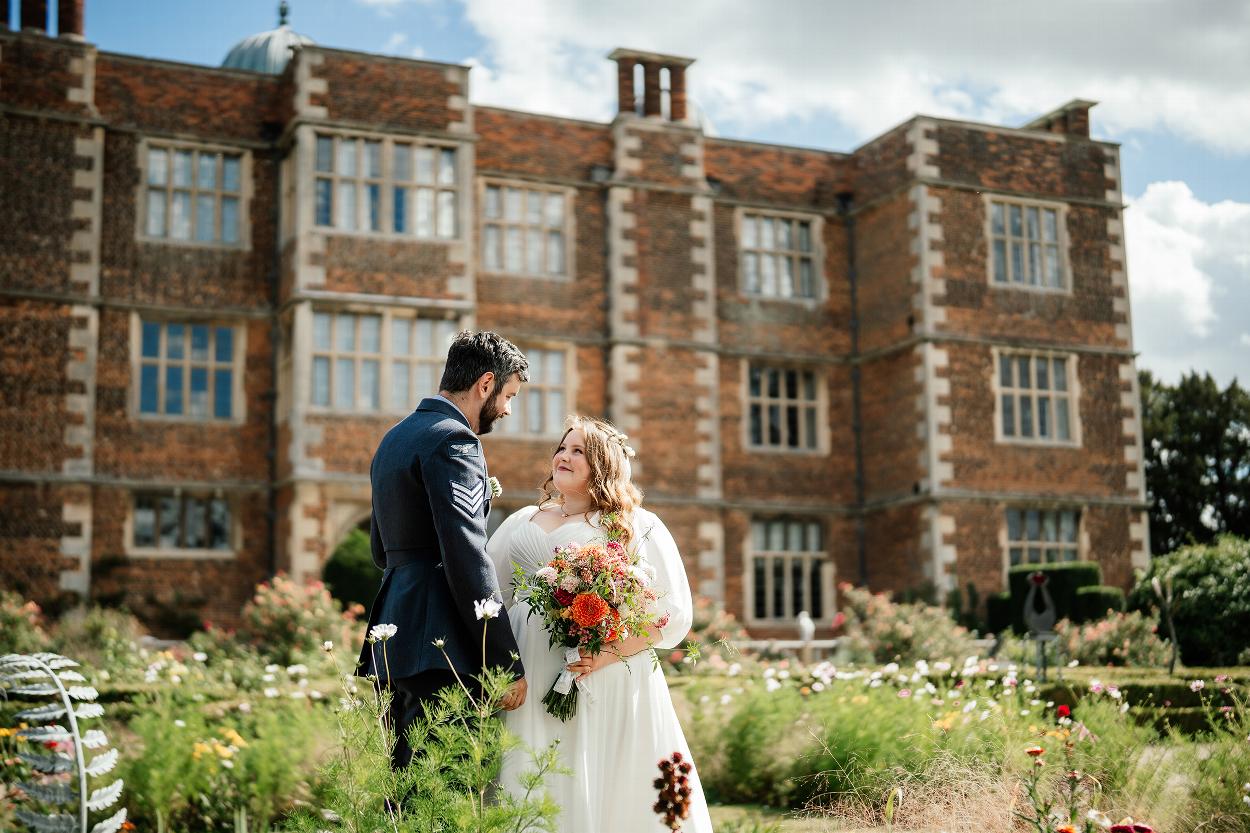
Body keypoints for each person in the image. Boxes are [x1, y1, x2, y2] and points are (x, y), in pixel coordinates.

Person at [488, 415, 714, 833]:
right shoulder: (520, 521)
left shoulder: (633, 526)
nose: (564, 456)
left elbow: (671, 615)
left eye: (578, 451)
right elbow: (490, 596)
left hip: (599, 674)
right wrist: (500, 661)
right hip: (530, 671)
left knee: (598, 768)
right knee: (533, 766)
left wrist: (605, 652)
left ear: (603, 465)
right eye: (562, 447)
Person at [357, 330, 530, 771]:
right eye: (508, 395)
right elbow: (467, 553)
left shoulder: (393, 439)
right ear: (485, 384)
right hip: (442, 647)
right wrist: (505, 660)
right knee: (445, 792)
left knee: (405, 792)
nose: (507, 409)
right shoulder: (455, 441)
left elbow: (380, 548)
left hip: (393, 634)